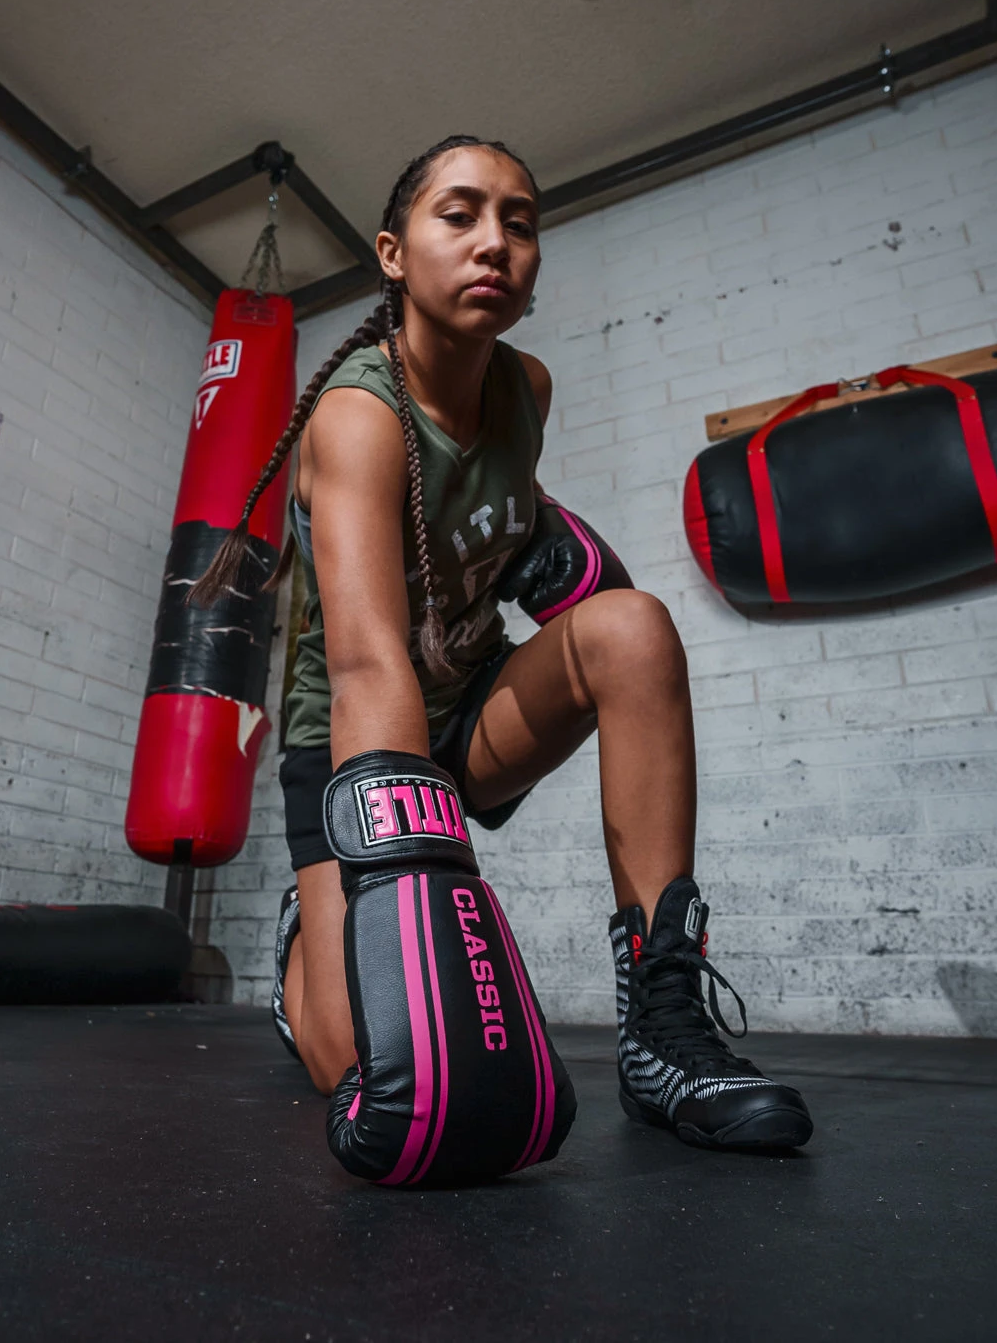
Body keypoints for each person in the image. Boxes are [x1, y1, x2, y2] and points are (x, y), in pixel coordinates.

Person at [197, 135, 812, 1162]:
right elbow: (367, 664)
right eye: (460, 215)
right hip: (355, 741)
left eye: (519, 224)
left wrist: (531, 535)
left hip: (472, 706)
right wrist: (414, 886)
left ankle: (663, 1030)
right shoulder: (357, 418)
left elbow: (497, 499)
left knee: (633, 627)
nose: (495, 242)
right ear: (393, 254)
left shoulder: (528, 387)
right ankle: (310, 946)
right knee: (352, 1064)